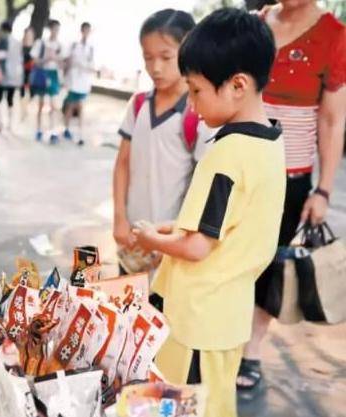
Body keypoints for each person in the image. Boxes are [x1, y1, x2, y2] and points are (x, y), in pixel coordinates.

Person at [132, 9, 285, 417]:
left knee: (180, 405)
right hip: (228, 315)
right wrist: (171, 228)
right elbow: (227, 226)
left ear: (237, 85)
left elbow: (198, 245)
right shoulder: (270, 144)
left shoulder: (226, 155)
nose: (193, 105)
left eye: (197, 91)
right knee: (216, 404)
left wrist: (151, 239)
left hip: (196, 318)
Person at [238, 0, 346, 393]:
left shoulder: (333, 35)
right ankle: (217, 340)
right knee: (222, 255)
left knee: (268, 267)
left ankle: (249, 352)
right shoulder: (256, 22)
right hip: (236, 168)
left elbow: (333, 120)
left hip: (289, 178)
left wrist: (323, 189)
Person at [113, 10, 211, 275]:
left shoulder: (197, 113)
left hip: (170, 242)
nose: (155, 67)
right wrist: (120, 218)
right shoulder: (138, 105)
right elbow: (122, 163)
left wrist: (174, 236)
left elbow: (201, 184)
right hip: (133, 237)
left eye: (166, 57)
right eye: (148, 57)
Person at [62, 22, 95, 146]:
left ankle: (80, 134)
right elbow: (66, 61)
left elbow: (93, 66)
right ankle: (67, 129)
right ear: (81, 31)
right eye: (84, 30)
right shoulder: (74, 45)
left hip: (84, 82)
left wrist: (84, 67)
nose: (86, 33)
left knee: (81, 106)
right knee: (70, 106)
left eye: (88, 30)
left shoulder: (91, 48)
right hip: (73, 81)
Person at [31, 19, 63, 143]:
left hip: (54, 75)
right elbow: (34, 60)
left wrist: (56, 59)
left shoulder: (60, 45)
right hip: (42, 74)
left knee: (54, 105)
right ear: (49, 29)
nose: (56, 32)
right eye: (54, 29)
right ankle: (38, 130)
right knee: (40, 104)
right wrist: (46, 59)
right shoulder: (41, 43)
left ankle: (52, 131)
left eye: (57, 30)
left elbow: (63, 63)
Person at [0, 21, 23, 132]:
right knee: (10, 100)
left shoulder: (3, 41)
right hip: (14, 76)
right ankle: (10, 125)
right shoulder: (17, 43)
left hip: (2, 76)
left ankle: (1, 123)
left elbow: (0, 56)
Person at [20, 26, 36, 120]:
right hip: (22, 74)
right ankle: (23, 113)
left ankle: (27, 112)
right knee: (22, 94)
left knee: (31, 95)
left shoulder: (35, 47)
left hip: (32, 73)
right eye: (27, 34)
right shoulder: (20, 46)